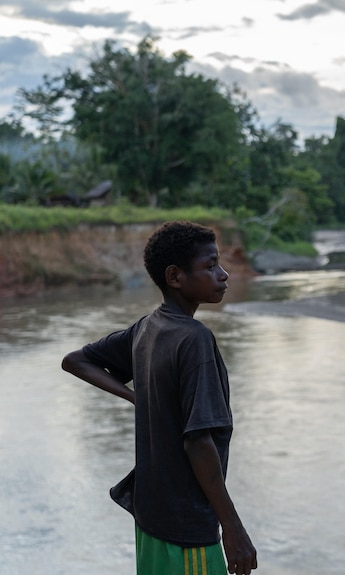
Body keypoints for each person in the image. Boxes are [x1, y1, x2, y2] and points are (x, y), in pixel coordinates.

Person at [61, 221, 257, 575]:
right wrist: (233, 528)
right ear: (175, 277)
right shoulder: (194, 340)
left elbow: (76, 360)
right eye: (211, 265)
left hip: (150, 517)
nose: (224, 274)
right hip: (186, 529)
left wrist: (137, 397)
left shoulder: (148, 327)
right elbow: (198, 442)